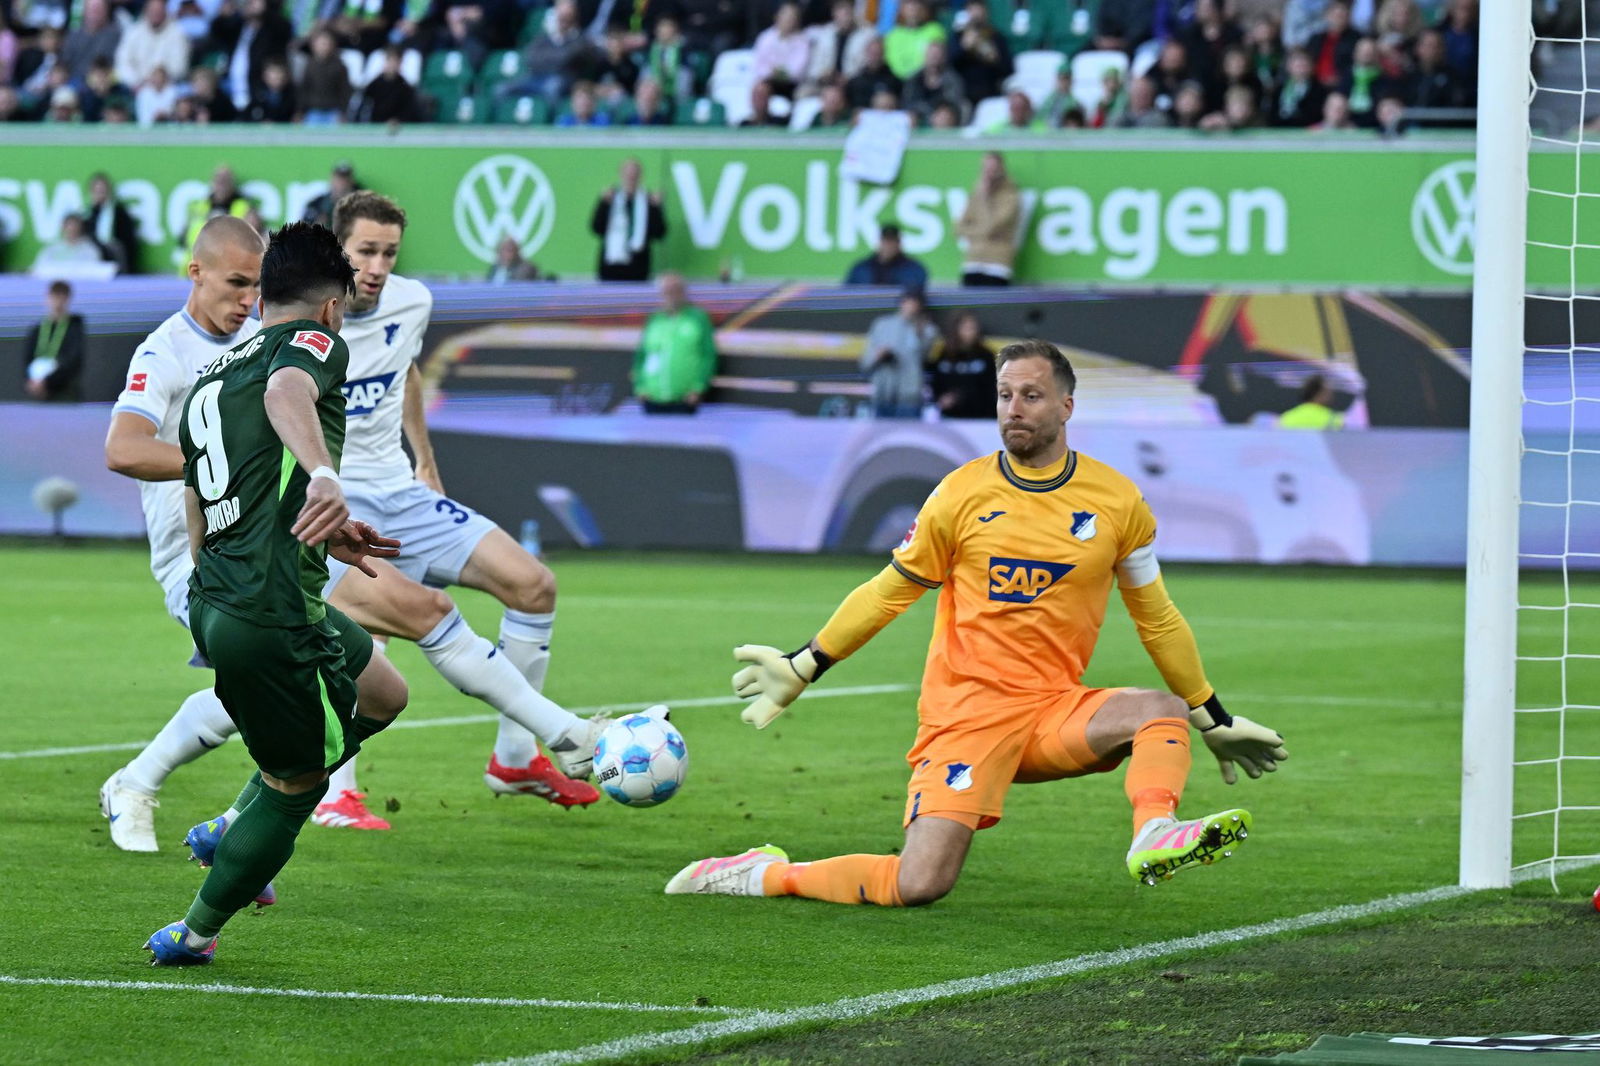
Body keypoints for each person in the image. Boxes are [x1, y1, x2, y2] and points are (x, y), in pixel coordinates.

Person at [665, 339, 1289, 906]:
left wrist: (1214, 718)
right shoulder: (959, 495)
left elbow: (1156, 617)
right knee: (919, 883)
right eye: (1005, 394)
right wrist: (805, 665)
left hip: (1052, 712)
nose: (1013, 408)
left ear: (1067, 406)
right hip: (965, 718)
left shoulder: (1118, 501)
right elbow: (889, 592)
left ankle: (1155, 832)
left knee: (1160, 708)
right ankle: (764, 873)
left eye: (1031, 395)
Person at [99, 209, 607, 854]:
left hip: (279, 545)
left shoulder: (262, 339)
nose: (246, 300)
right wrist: (234, 463)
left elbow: (380, 378)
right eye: (232, 284)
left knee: (349, 689)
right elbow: (123, 448)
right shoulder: (164, 352)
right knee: (419, 612)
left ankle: (151, 787)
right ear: (193, 273)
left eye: (256, 286)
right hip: (212, 563)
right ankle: (570, 737)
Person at [142, 221, 410, 966]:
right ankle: (195, 931)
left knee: (384, 692)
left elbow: (200, 488)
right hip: (272, 610)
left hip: (227, 600)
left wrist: (321, 532)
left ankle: (237, 822)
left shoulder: (215, 377)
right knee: (299, 785)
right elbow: (291, 391)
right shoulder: (312, 346)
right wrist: (325, 475)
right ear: (332, 307)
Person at [632, 272, 716, 414]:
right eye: (667, 291)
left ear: (684, 292)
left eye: (675, 290)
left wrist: (699, 388)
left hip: (684, 400)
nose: (671, 295)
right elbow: (641, 356)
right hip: (652, 399)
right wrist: (640, 387)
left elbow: (708, 355)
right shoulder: (654, 319)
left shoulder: (697, 318)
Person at [861, 288, 936, 419]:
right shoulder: (882, 324)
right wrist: (879, 355)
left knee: (907, 435)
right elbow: (866, 361)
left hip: (909, 396)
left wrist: (920, 333)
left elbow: (924, 356)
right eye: (908, 301)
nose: (911, 306)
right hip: (883, 391)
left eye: (915, 302)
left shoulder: (928, 329)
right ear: (901, 302)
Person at [589, 158, 666, 282]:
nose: (631, 178)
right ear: (621, 174)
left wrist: (657, 208)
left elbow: (659, 233)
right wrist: (603, 205)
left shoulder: (648, 200)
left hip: (638, 266)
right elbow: (596, 228)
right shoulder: (611, 198)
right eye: (628, 174)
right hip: (611, 267)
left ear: (640, 176)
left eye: (634, 175)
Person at [956, 152, 1020, 287]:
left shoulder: (1010, 195)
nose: (988, 174)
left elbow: (993, 226)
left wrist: (985, 198)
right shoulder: (976, 193)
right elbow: (959, 227)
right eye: (985, 169)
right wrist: (980, 232)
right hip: (973, 260)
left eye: (992, 169)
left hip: (997, 263)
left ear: (1001, 170)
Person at [21, 279, 85, 401]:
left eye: (62, 297)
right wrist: (31, 381)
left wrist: (48, 382)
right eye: (55, 297)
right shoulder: (37, 329)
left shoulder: (74, 327)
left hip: (64, 392)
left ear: (68, 299)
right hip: (38, 392)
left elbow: (72, 360)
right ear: (48, 297)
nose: (58, 302)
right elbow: (27, 358)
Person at [930, 311, 996, 419]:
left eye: (974, 328)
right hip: (950, 417)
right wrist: (940, 398)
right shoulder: (945, 355)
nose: (971, 332)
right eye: (967, 328)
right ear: (956, 330)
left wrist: (961, 397)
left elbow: (990, 387)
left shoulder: (985, 355)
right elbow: (936, 382)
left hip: (980, 417)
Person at [112, 0, 188, 93]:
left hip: (166, 87)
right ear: (146, 11)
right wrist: (135, 83)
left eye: (159, 11)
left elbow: (179, 67)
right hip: (135, 87)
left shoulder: (178, 33)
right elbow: (122, 62)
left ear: (165, 11)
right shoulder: (134, 32)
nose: (156, 14)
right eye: (152, 10)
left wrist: (158, 81)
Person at [84, 172, 140, 273]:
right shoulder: (88, 214)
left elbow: (129, 241)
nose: (99, 194)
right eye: (96, 191)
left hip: (114, 262)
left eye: (102, 190)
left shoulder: (120, 213)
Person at [843, 223, 928, 289]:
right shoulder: (861, 268)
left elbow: (916, 295)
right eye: (886, 241)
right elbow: (847, 293)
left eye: (892, 241)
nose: (889, 245)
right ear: (880, 242)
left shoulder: (913, 269)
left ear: (899, 243)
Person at [30, 214, 104, 275]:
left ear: (81, 228)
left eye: (75, 226)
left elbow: (95, 271)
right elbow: (38, 270)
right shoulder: (51, 248)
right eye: (69, 226)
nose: (72, 229)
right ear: (63, 227)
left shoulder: (90, 250)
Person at [302, 161, 359, 229]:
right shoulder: (317, 204)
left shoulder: (361, 204)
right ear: (332, 179)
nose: (342, 184)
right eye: (339, 179)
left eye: (345, 180)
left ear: (351, 182)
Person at [1278, 374, 1344, 428]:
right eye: (1327, 392)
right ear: (1319, 394)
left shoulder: (1286, 418)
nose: (1331, 396)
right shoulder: (1335, 420)